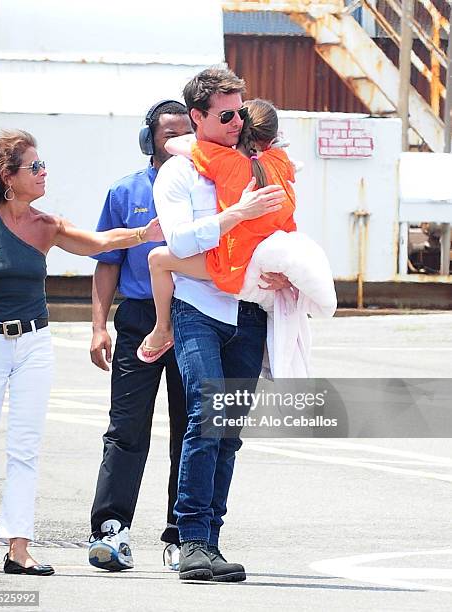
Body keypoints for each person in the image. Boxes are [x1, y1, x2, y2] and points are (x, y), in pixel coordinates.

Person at [0, 129, 163, 576]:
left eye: (43, 165)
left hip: (35, 341)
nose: (43, 173)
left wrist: (141, 233)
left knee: (26, 447)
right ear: (7, 176)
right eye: (34, 167)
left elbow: (96, 244)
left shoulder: (46, 225)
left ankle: (19, 545)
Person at [152, 68, 292, 582]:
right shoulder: (180, 172)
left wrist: (280, 267)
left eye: (240, 111)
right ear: (197, 117)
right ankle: (189, 540)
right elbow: (180, 242)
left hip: (249, 310)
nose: (237, 122)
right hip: (199, 310)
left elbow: (272, 232)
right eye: (225, 114)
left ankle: (210, 542)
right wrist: (236, 213)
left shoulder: (255, 165)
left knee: (228, 432)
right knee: (205, 420)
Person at [87, 100, 191, 572]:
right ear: (149, 139)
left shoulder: (205, 188)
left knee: (189, 431)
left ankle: (182, 534)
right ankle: (111, 529)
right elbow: (106, 265)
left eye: (186, 132)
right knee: (126, 428)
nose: (178, 142)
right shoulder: (125, 190)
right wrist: (98, 326)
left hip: (194, 320)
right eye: (168, 134)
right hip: (137, 322)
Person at [137, 98, 297, 361]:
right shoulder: (281, 164)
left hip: (231, 267)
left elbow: (171, 144)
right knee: (237, 400)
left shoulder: (225, 162)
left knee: (157, 259)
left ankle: (162, 327)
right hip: (261, 269)